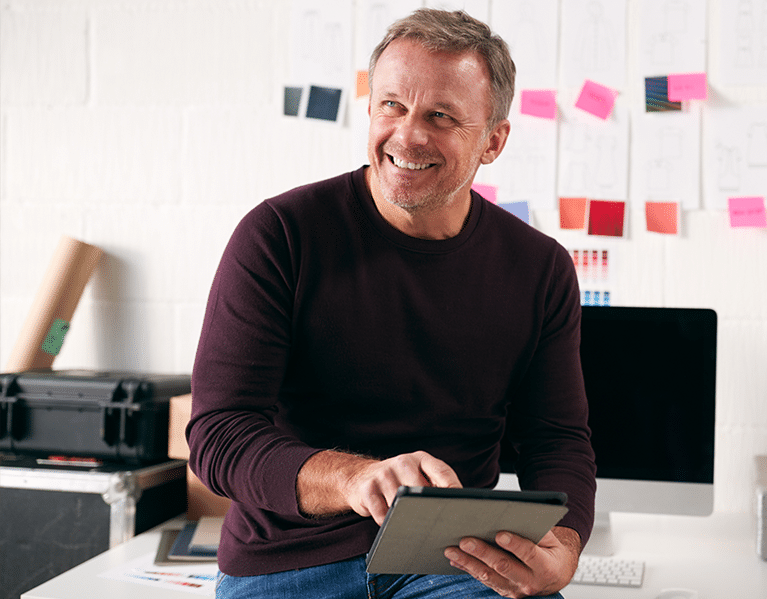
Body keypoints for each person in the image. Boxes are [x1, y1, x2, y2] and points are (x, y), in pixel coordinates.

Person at [188, 8, 596, 599]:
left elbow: (557, 438)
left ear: (494, 141)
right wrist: (356, 478)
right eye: (392, 106)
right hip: (289, 562)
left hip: (454, 561)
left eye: (441, 116)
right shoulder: (279, 234)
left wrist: (565, 544)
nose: (407, 135)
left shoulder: (540, 269)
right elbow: (218, 434)